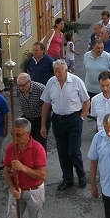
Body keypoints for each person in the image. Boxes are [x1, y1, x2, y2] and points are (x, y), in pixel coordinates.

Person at [41, 59, 90, 190]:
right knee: (62, 152)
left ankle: (81, 174)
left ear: (66, 70)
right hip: (58, 119)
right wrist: (43, 125)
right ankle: (67, 178)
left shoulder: (76, 81)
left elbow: (86, 101)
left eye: (59, 72)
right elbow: (46, 104)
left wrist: (81, 117)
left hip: (74, 119)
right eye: (55, 72)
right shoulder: (51, 82)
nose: (57, 74)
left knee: (73, 151)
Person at [4, 118, 47, 218]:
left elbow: (42, 175)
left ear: (28, 134)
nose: (16, 138)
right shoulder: (11, 148)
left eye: (19, 135)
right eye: (13, 134)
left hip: (34, 191)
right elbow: (6, 170)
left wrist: (23, 168)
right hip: (17, 191)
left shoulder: (37, 149)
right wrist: (12, 188)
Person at [15, 73, 50, 151]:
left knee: (40, 145)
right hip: (27, 119)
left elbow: (48, 106)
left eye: (23, 85)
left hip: (40, 119)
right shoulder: (19, 90)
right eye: (19, 85)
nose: (21, 88)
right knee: (27, 143)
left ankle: (41, 161)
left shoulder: (40, 89)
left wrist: (43, 125)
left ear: (29, 82)